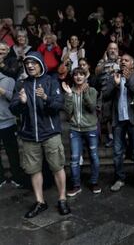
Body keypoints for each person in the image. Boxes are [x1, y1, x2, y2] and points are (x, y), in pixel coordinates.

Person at [10, 51, 70, 218]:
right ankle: (40, 202)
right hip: (29, 135)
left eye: (33, 63)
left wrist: (45, 98)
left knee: (57, 167)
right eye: (27, 63)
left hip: (50, 133)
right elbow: (13, 108)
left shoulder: (51, 81)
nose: (30, 66)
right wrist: (21, 103)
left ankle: (62, 199)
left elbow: (59, 104)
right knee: (33, 169)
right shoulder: (21, 84)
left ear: (41, 64)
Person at [102, 54, 134, 192]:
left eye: (126, 60)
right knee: (117, 152)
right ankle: (119, 179)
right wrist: (115, 85)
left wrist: (128, 81)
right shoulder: (113, 76)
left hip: (133, 120)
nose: (123, 62)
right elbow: (105, 95)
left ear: (132, 64)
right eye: (121, 61)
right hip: (118, 120)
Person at [62, 67, 101, 196]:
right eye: (76, 75)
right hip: (75, 130)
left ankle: (94, 182)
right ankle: (76, 185)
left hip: (90, 128)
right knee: (74, 158)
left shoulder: (92, 90)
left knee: (94, 156)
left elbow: (91, 108)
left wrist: (84, 94)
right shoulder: (70, 91)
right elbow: (68, 113)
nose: (78, 77)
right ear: (73, 77)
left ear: (85, 76)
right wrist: (68, 96)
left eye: (81, 74)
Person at [0, 70, 24, 188]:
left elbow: (14, 98)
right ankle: (0, 178)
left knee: (13, 153)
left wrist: (2, 91)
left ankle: (17, 177)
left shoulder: (9, 80)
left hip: (8, 123)